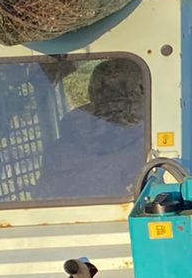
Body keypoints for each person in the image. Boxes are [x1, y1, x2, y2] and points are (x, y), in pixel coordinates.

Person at [39, 57, 150, 201]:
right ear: (140, 88)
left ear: (93, 89)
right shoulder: (149, 141)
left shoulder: (58, 150)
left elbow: (43, 195)